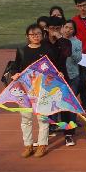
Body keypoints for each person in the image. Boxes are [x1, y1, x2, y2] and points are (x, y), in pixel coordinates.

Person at [13, 24, 57, 158]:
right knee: (26, 118)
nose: (35, 36)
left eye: (38, 34)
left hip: (42, 90)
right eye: (32, 34)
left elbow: (53, 67)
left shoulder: (47, 50)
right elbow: (16, 66)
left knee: (42, 118)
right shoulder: (22, 50)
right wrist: (15, 74)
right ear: (27, 36)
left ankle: (42, 145)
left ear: (42, 35)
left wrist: (58, 73)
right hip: (25, 89)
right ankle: (28, 145)